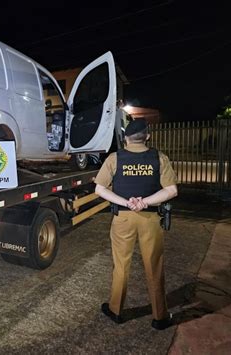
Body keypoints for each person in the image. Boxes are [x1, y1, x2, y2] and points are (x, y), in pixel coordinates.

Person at [94, 119, 178, 330]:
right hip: (150, 219)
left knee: (121, 266)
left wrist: (126, 203)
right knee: (154, 266)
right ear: (147, 137)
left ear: (125, 139)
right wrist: (145, 202)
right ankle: (160, 317)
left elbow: (99, 189)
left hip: (123, 218)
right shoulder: (159, 158)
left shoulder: (115, 158)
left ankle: (115, 310)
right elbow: (171, 190)